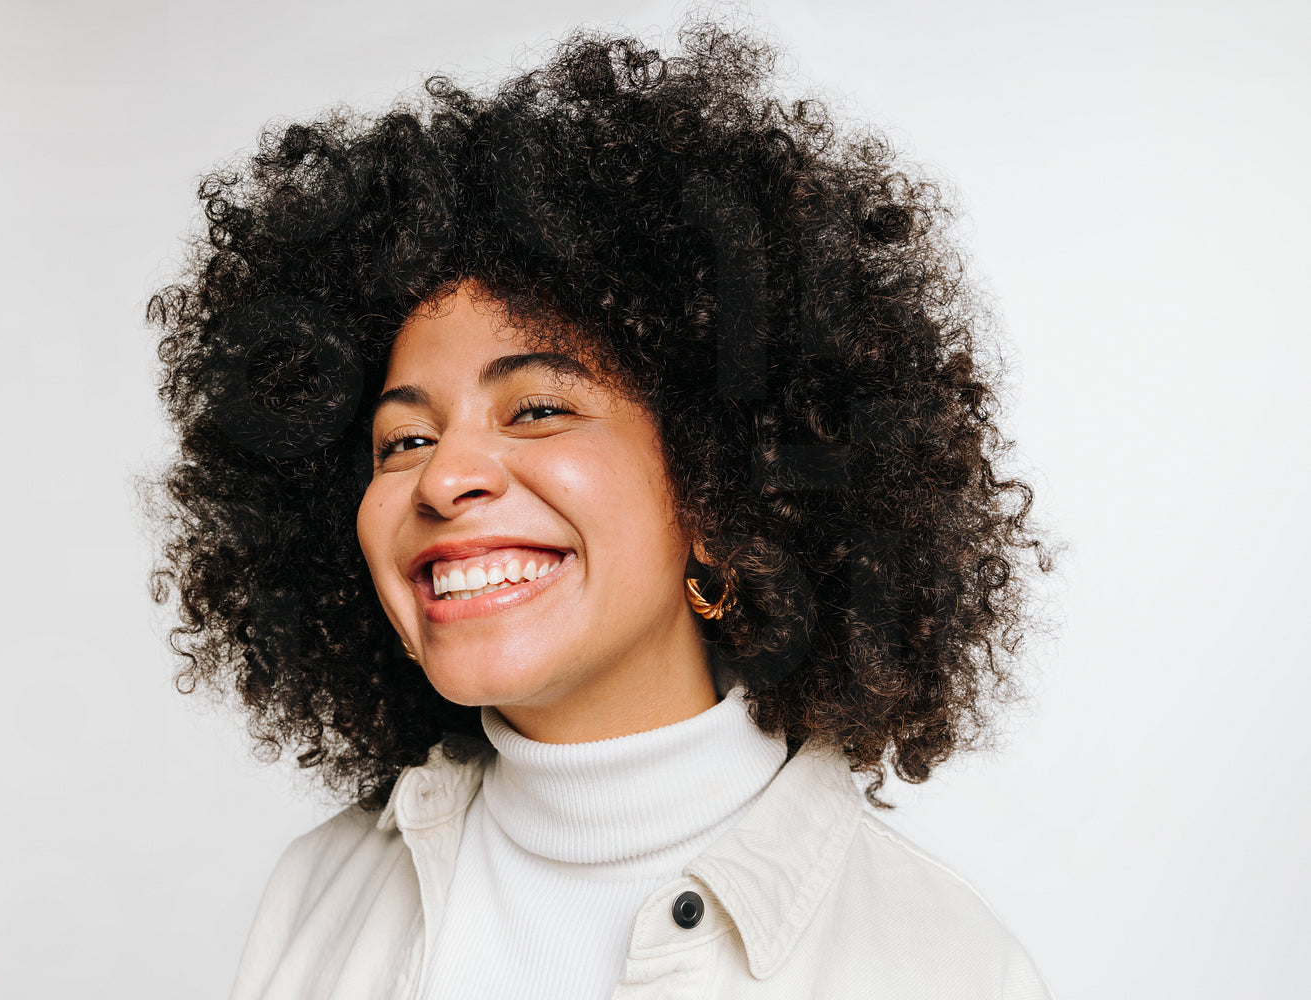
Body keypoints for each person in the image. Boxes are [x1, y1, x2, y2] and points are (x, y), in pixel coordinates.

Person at [146, 19, 1054, 1000]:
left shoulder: (941, 970)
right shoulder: (318, 898)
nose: (444, 480)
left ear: (718, 487)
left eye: (538, 410)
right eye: (403, 439)